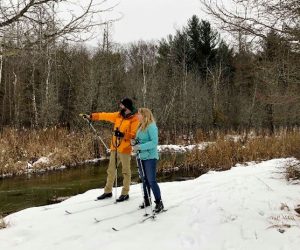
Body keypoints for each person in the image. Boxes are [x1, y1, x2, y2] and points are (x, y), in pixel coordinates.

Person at [85, 98, 139, 202]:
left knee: (126, 172)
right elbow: (105, 115)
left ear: (126, 107)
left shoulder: (134, 118)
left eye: (122, 105)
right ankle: (108, 191)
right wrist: (91, 116)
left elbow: (134, 135)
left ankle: (125, 193)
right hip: (114, 147)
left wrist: (123, 135)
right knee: (110, 170)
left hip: (125, 149)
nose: (120, 107)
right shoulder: (118, 115)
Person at [132, 108, 164, 213]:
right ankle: (147, 200)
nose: (137, 116)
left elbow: (154, 142)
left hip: (150, 157)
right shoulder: (140, 126)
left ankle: (159, 202)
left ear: (144, 115)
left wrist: (139, 147)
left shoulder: (152, 126)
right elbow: (140, 139)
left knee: (151, 180)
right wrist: (134, 142)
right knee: (144, 179)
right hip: (141, 157)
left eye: (139, 114)